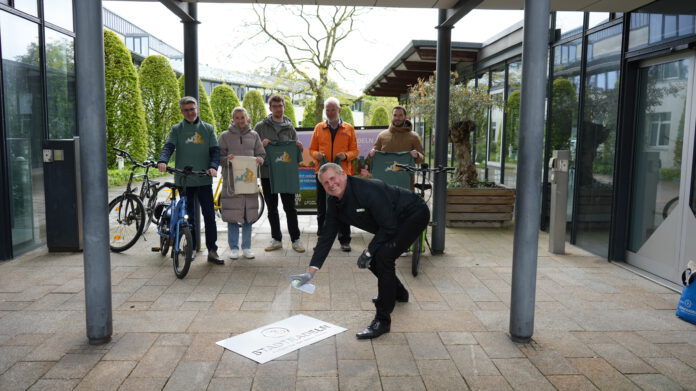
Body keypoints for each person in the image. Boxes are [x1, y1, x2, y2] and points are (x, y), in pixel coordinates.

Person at [291, 163, 429, 339]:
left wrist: (369, 251)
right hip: (390, 223)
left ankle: (382, 321)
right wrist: (310, 272)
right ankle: (399, 293)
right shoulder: (334, 202)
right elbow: (326, 237)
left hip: (413, 214)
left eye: (333, 178)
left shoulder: (368, 189)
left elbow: (389, 227)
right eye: (325, 183)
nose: (331, 184)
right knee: (374, 260)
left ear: (343, 175)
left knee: (383, 258)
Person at [158, 96, 223, 264]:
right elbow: (169, 147)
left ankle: (212, 250)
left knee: (209, 216)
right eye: (186, 110)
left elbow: (215, 151)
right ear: (182, 112)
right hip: (184, 180)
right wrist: (163, 160)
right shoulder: (177, 129)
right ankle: (191, 248)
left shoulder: (208, 129)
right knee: (189, 217)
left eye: (192, 109)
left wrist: (213, 166)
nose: (190, 112)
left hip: (203, 178)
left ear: (197, 109)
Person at [253, 94, 305, 253]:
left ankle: (296, 239)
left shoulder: (290, 127)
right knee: (272, 208)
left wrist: (298, 146)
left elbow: (297, 154)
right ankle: (276, 239)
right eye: (275, 106)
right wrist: (262, 145)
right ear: (270, 108)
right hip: (268, 173)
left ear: (284, 107)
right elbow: (253, 148)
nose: (278, 109)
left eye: (280, 106)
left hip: (285, 174)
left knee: (290, 207)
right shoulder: (260, 127)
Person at [309, 97, 358, 252]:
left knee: (343, 206)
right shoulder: (319, 128)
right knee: (322, 207)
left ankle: (345, 240)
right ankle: (322, 239)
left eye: (333, 109)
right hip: (323, 175)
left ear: (339, 110)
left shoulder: (349, 128)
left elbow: (355, 151)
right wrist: (317, 155)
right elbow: (311, 150)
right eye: (327, 110)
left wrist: (347, 156)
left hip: (341, 175)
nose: (330, 112)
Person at [218, 107, 265, 260]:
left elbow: (261, 154)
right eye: (237, 118)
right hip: (232, 182)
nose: (240, 121)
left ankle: (246, 247)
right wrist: (227, 159)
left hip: (249, 182)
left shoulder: (254, 135)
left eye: (242, 117)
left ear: (247, 118)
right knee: (232, 215)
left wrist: (260, 160)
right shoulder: (224, 136)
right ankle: (233, 248)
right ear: (233, 119)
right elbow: (219, 157)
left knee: (248, 215)